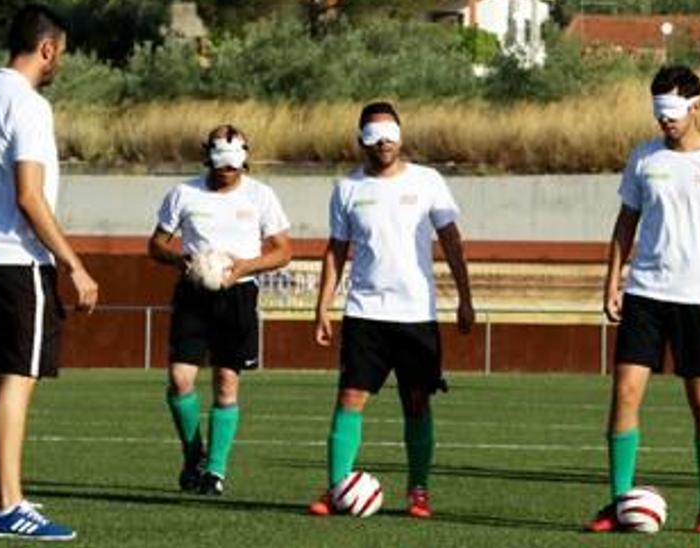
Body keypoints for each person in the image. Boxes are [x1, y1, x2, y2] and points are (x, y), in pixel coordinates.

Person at [586, 65, 700, 536]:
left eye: (673, 111)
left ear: (696, 106)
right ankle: (621, 501)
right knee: (624, 393)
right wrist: (612, 281)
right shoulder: (643, 158)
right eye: (658, 111)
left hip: (698, 300)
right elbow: (625, 224)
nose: (665, 121)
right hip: (645, 293)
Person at [0, 4, 97, 540]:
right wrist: (74, 264)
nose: (58, 60)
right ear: (47, 48)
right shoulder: (29, 106)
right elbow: (29, 196)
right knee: (16, 380)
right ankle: (10, 506)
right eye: (59, 52)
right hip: (18, 261)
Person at [308, 102, 475, 519]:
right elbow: (336, 250)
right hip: (366, 312)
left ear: (400, 135)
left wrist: (465, 298)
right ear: (360, 139)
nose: (383, 142)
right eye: (373, 135)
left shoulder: (428, 181)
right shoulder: (347, 189)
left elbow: (452, 240)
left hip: (417, 314)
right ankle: (337, 487)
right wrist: (323, 306)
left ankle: (418, 489)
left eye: (389, 133)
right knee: (349, 398)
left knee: (417, 401)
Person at [149, 125, 292, 496]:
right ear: (207, 156)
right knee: (180, 379)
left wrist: (245, 267)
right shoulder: (183, 193)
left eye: (235, 163)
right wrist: (180, 260)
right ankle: (193, 452)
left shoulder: (261, 196)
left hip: (238, 295)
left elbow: (283, 251)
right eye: (221, 163)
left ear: (245, 157)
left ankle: (215, 470)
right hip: (193, 293)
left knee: (226, 383)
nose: (228, 170)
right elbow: (156, 244)